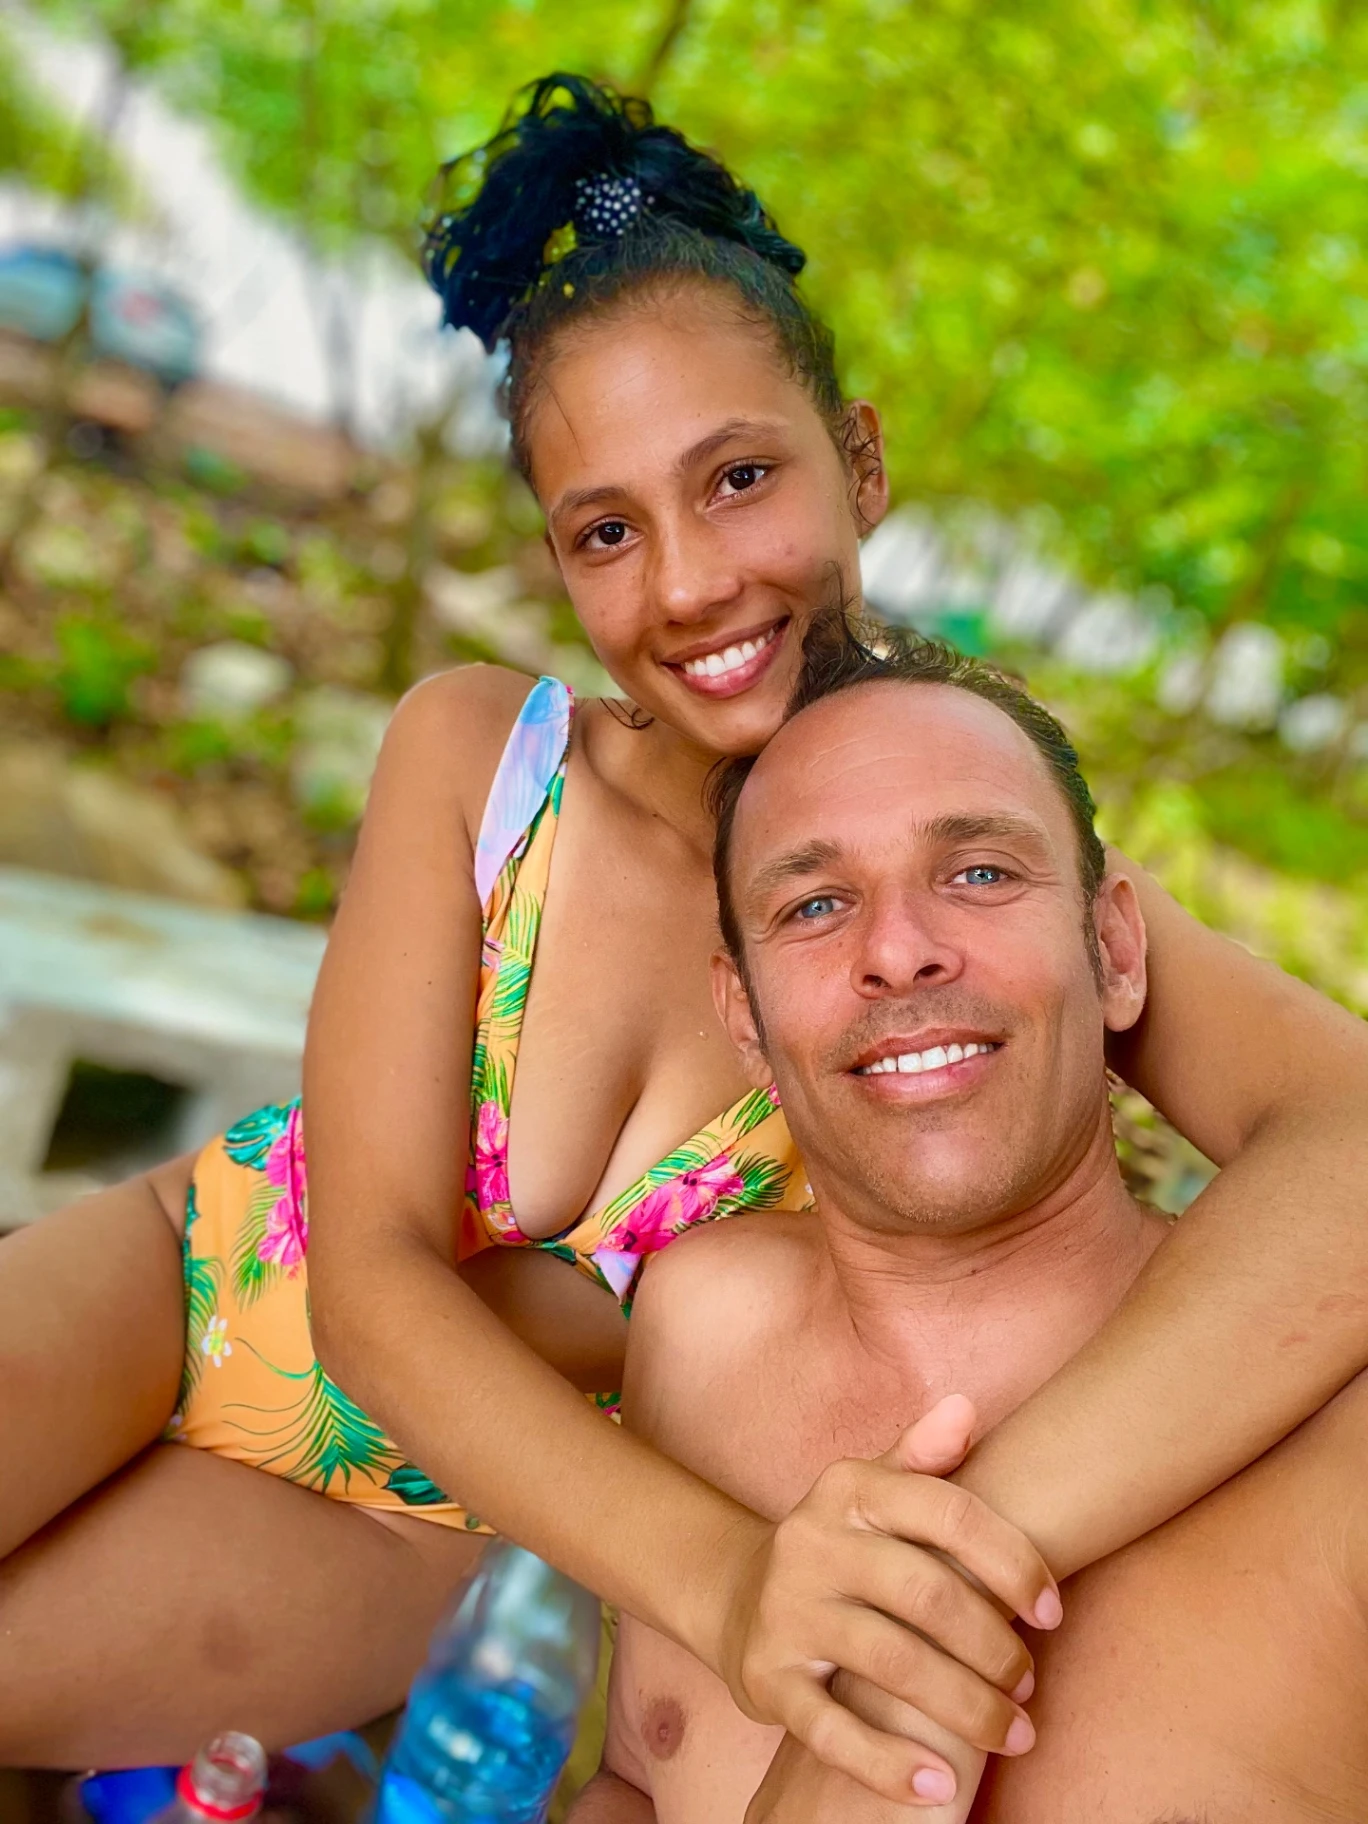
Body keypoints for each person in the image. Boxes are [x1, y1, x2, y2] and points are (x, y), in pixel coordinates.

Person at [2, 75, 1368, 1794]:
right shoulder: (484, 758)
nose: (690, 584)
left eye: (736, 477)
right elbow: (369, 1276)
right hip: (192, 1284)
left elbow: (1350, 1136)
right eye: (605, 530)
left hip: (454, 1512)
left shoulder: (951, 864)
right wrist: (733, 1588)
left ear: (855, 458)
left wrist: (990, 1518)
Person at [570, 621, 1368, 1824]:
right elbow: (640, 1778)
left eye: (980, 873)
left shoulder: (1337, 1454)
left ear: (1112, 950)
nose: (898, 951)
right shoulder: (700, 1324)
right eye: (816, 904)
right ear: (743, 1014)